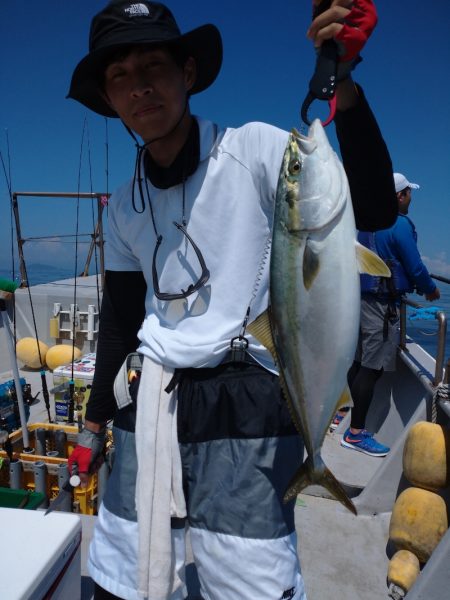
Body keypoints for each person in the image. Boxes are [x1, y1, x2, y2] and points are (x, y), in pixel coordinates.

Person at [67, 1, 397, 599]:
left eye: (153, 66)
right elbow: (119, 322)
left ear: (188, 73)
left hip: (248, 402)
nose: (138, 87)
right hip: (150, 408)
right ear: (109, 100)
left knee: (251, 586)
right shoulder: (122, 207)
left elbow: (372, 207)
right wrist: (92, 425)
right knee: (123, 578)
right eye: (119, 77)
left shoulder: (260, 152)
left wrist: (341, 79)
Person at [338, 172, 440, 457]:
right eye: (409, 193)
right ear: (399, 196)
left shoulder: (364, 224)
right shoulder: (398, 226)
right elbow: (415, 267)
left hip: (358, 302)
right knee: (372, 367)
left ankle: (342, 414)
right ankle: (355, 433)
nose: (411, 198)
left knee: (359, 362)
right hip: (381, 306)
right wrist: (430, 290)